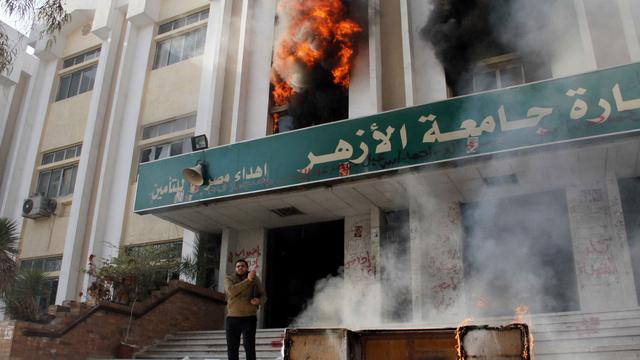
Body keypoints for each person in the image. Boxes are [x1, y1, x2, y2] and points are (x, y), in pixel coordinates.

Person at [224, 259, 267, 360]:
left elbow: (264, 295)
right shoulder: (229, 278)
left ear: (247, 268)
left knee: (249, 347)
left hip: (249, 318)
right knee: (232, 348)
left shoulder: (255, 279)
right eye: (238, 266)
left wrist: (259, 300)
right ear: (235, 268)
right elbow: (231, 291)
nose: (240, 268)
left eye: (242, 266)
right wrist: (248, 280)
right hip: (232, 319)